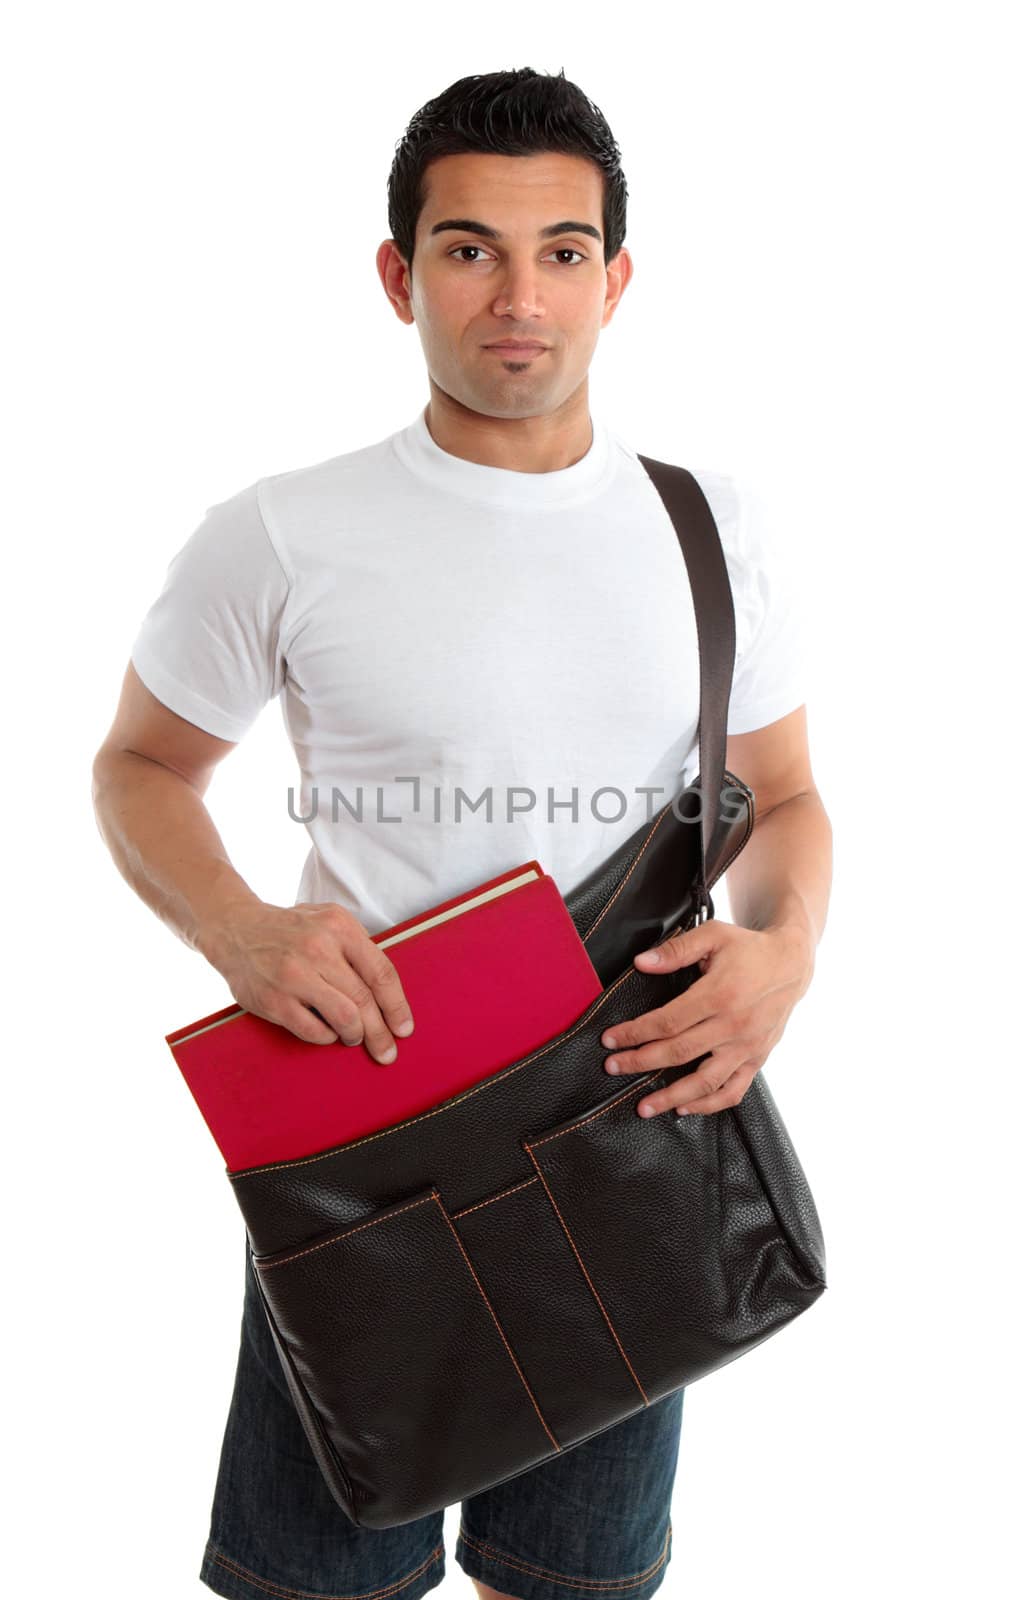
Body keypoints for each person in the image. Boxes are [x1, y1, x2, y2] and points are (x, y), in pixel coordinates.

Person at [91, 64, 833, 1600]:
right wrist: (238, 926)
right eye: (469, 248)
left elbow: (792, 797)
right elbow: (141, 765)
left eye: (563, 251)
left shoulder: (708, 524)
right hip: (363, 1146)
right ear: (399, 274)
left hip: (622, 1131)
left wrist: (789, 949)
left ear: (617, 281)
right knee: (319, 1584)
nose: (520, 296)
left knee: (573, 1585)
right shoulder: (282, 531)